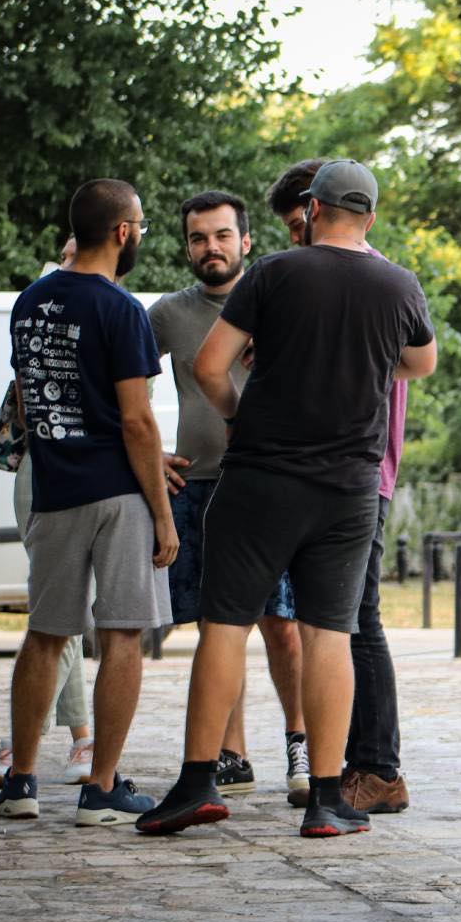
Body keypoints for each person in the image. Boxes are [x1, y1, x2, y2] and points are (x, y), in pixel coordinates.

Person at [137, 159, 436, 838]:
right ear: (371, 216)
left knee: (226, 623)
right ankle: (329, 799)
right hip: (351, 487)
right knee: (330, 632)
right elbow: (420, 362)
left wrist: (240, 414)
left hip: (261, 479)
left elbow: (209, 367)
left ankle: (196, 784)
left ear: (314, 207)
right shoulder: (398, 284)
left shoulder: (273, 272)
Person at [0, 179, 177, 826]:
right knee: (122, 634)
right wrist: (161, 512)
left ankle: (20, 784)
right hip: (117, 492)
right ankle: (99, 789)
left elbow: (27, 397)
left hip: (53, 491)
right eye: (141, 228)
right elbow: (138, 422)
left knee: (45, 637)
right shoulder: (120, 309)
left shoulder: (29, 303)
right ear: (123, 232)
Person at [149, 190, 310, 806]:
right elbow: (115, 380)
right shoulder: (168, 314)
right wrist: (146, 454)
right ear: (186, 246)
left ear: (246, 241)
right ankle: (232, 753)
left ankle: (299, 742)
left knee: (283, 626)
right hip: (198, 484)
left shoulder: (279, 299)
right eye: (197, 238)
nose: (209, 247)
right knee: (220, 627)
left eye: (221, 235)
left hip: (267, 482)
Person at [269, 158, 412, 816]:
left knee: (358, 619)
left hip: (357, 474)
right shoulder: (344, 274)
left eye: (301, 221)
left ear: (322, 208)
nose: (299, 235)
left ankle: (378, 768)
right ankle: (361, 762)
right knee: (342, 619)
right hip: (342, 472)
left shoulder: (366, 278)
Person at [0, 238, 94, 792]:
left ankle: (65, 736)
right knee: (58, 605)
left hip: (93, 471)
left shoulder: (114, 308)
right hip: (40, 464)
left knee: (66, 608)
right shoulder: (39, 305)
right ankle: (67, 739)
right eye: (67, 252)